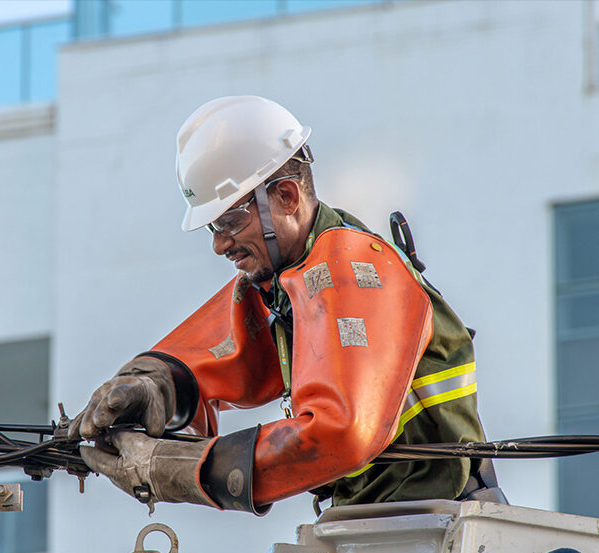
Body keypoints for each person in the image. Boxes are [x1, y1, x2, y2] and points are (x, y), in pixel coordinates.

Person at [73, 95, 504, 514]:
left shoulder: (351, 272)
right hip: (379, 519)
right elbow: (216, 353)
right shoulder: (290, 281)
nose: (220, 244)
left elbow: (341, 433)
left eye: (228, 221)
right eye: (212, 228)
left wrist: (189, 470)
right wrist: (151, 384)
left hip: (438, 516)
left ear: (286, 197)